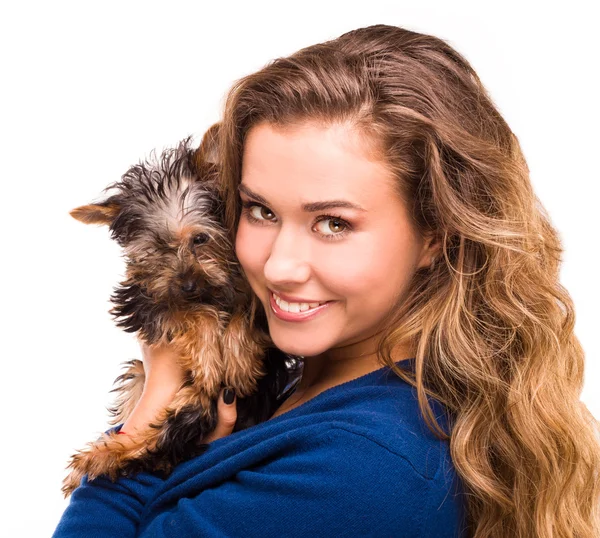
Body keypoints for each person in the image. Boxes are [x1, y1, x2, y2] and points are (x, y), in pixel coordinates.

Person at [52, 24, 600, 538]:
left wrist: (154, 411)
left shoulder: (360, 468)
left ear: (436, 235)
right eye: (260, 210)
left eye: (333, 224)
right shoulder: (314, 380)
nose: (278, 266)